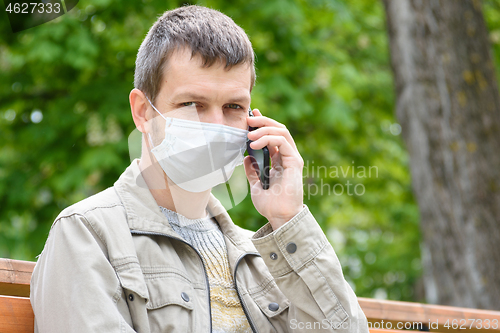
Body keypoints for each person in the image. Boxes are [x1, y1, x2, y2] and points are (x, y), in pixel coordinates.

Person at [30, 5, 369, 333]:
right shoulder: (88, 234)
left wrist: (288, 220)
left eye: (234, 106)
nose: (214, 124)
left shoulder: (262, 259)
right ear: (143, 113)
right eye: (192, 104)